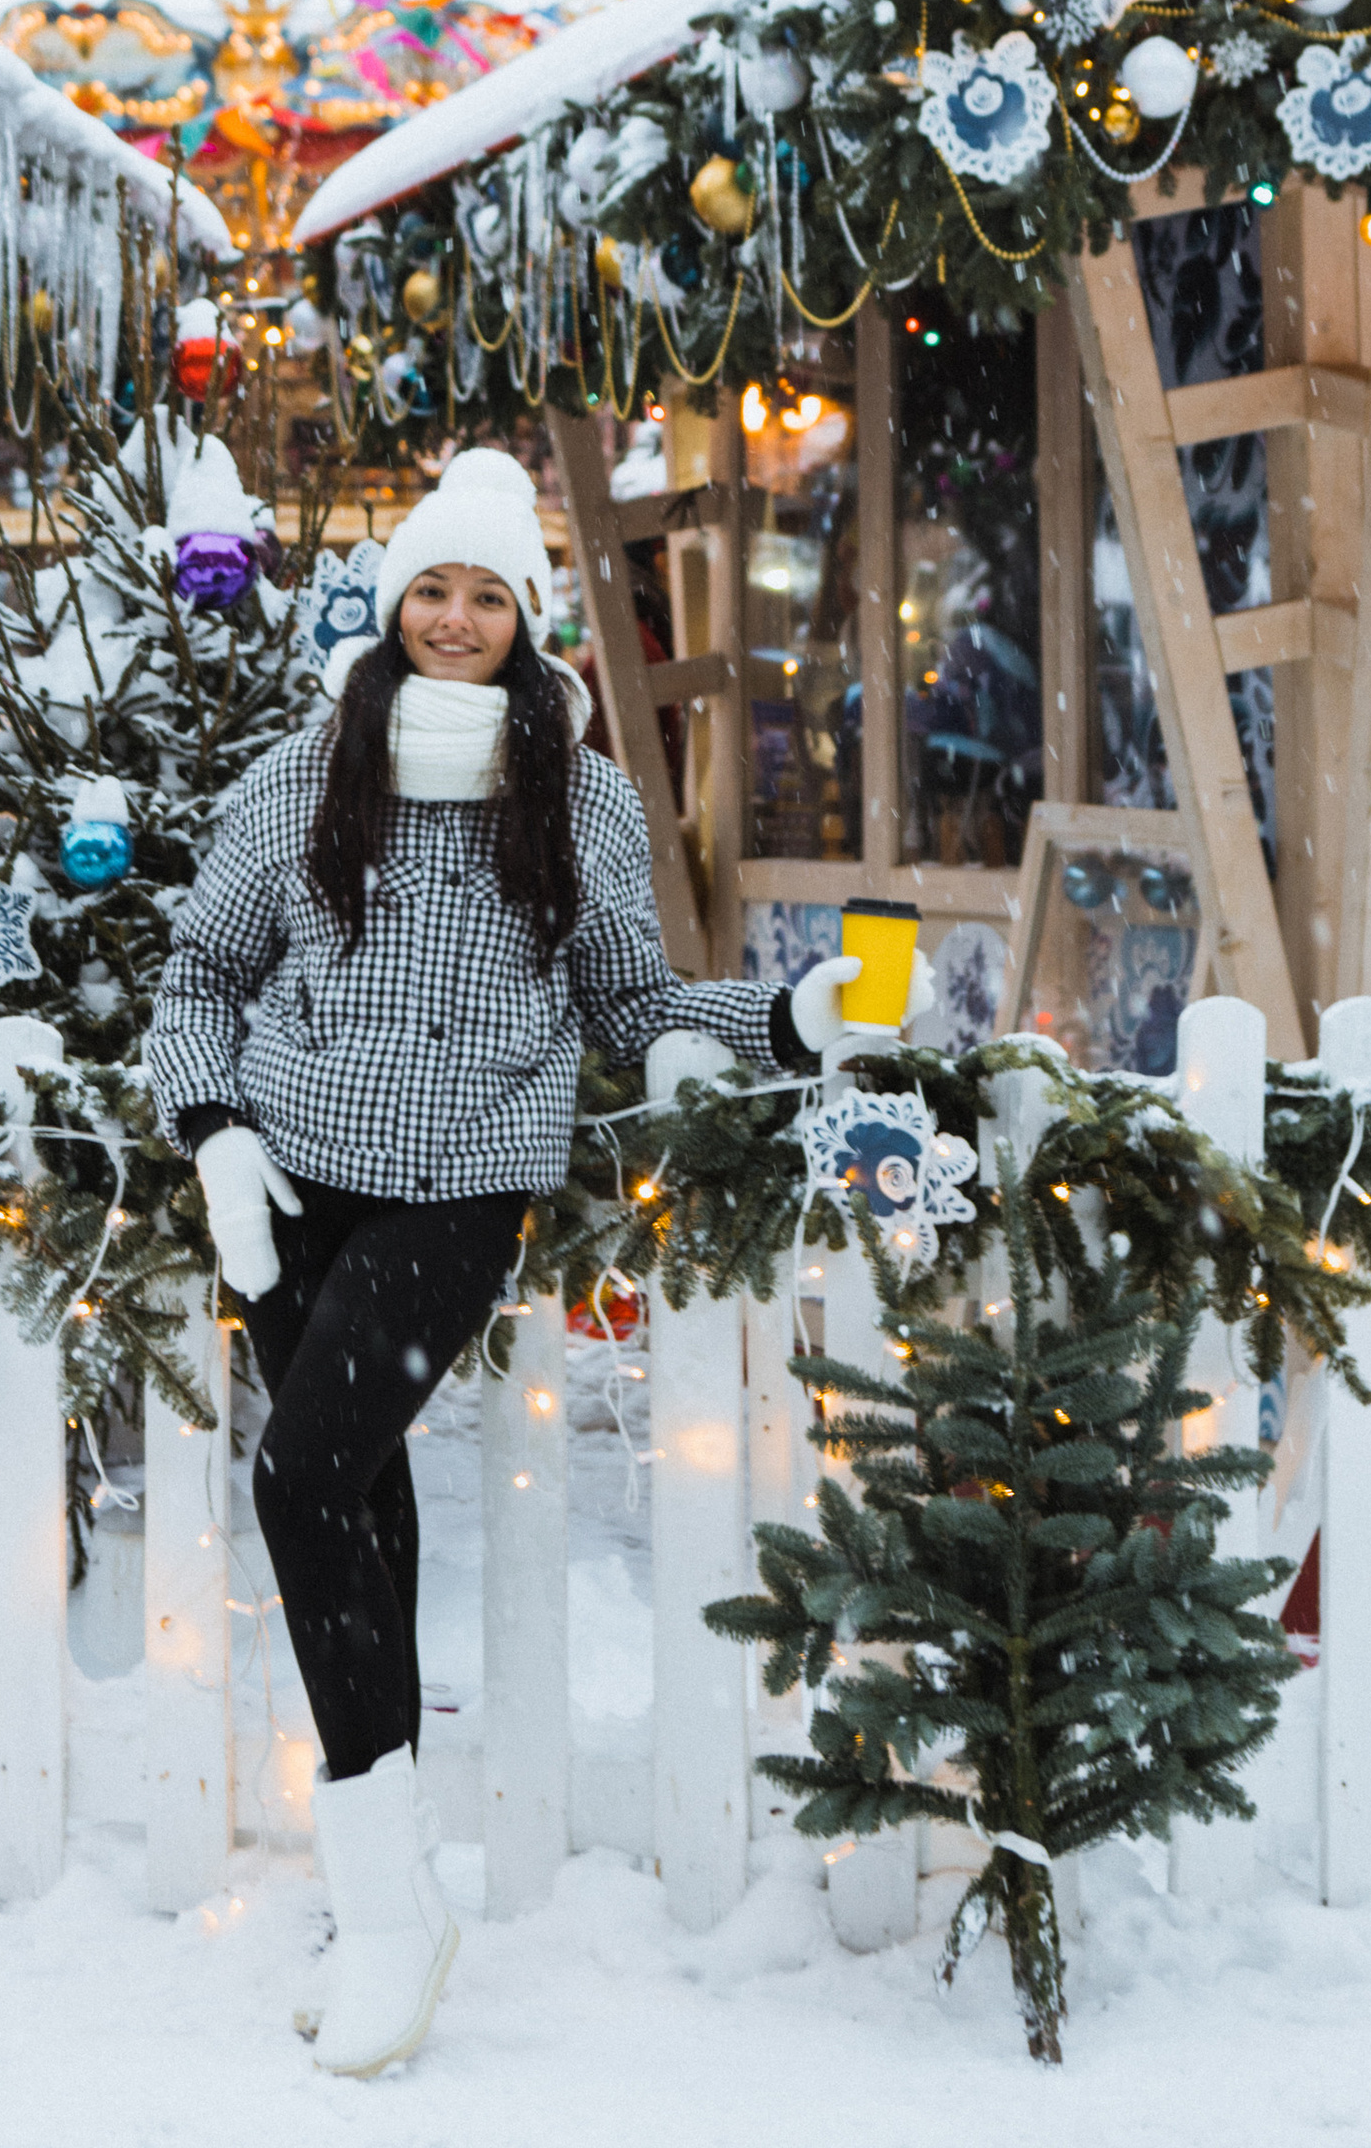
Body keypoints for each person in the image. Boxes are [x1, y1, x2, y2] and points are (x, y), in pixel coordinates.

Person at [145, 446, 895, 2079]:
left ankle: (390, 1911)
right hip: (291, 1178)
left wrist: (778, 1017)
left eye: (489, 595)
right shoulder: (306, 768)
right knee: (362, 1510)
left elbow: (630, 1007)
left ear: (526, 616)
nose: (458, 618)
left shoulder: (582, 790)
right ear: (397, 600)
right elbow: (201, 968)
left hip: (454, 1192)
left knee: (297, 1484)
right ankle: (388, 1888)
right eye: (435, 588)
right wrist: (214, 1133)